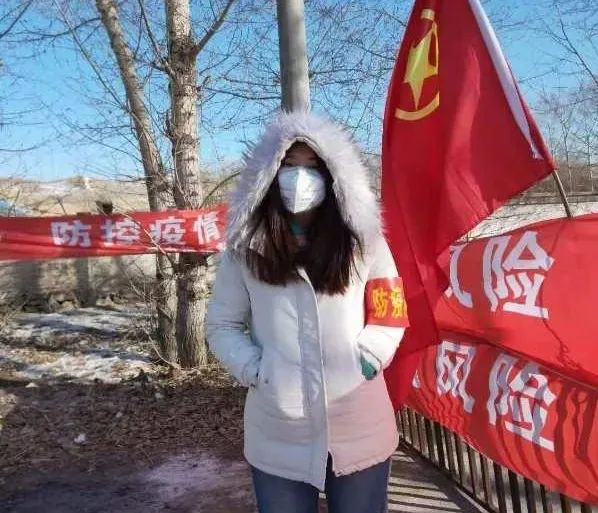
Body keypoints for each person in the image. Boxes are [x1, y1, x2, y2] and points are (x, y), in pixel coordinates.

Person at [206, 110, 408, 513]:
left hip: (358, 420)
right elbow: (222, 325)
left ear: (334, 175)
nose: (299, 178)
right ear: (268, 174)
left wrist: (367, 359)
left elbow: (390, 310)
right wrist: (256, 369)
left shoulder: (364, 241)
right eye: (289, 165)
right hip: (278, 430)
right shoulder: (246, 249)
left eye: (312, 166)